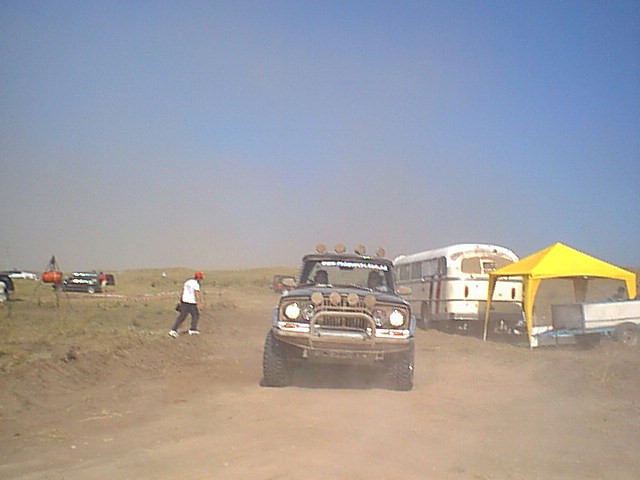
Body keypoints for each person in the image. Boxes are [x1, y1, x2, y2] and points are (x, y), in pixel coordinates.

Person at [169, 272, 204, 337]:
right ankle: (193, 329)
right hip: (191, 302)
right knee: (196, 315)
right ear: (198, 278)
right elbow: (197, 293)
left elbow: (183, 292)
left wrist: (180, 301)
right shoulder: (196, 284)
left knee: (182, 316)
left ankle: (173, 330)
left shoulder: (187, 282)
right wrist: (200, 302)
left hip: (184, 301)